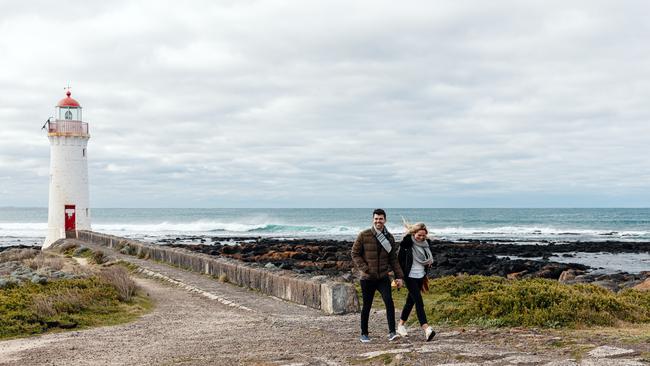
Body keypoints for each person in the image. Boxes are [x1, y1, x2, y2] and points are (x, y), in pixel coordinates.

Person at [351, 208, 405, 343]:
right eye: (376, 219)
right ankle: (364, 333)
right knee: (367, 306)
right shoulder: (364, 235)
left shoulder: (389, 237)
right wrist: (365, 268)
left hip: (383, 277)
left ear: (385, 220)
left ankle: (392, 332)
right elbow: (355, 253)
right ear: (373, 220)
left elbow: (393, 259)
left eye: (380, 219)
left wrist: (399, 276)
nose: (378, 221)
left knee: (389, 302)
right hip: (367, 278)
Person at [396, 222, 436, 341]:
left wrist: (428, 264)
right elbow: (399, 261)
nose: (421, 238)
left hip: (421, 276)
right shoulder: (406, 244)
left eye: (424, 235)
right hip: (409, 276)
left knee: (410, 301)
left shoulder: (426, 245)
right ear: (414, 233)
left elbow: (427, 258)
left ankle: (400, 325)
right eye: (419, 235)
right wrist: (399, 277)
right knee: (419, 301)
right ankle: (426, 329)